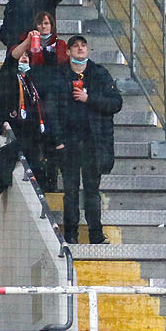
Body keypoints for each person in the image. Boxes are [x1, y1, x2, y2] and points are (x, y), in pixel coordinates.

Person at [51, 34, 123, 244]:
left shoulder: (99, 73)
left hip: (94, 142)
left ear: (88, 50)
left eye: (83, 45)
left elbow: (116, 103)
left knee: (92, 190)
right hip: (70, 142)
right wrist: (58, 140)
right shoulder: (60, 75)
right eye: (75, 46)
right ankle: (71, 235)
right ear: (68, 51)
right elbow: (51, 110)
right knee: (70, 191)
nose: (80, 49)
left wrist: (88, 98)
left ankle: (96, 234)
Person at [0, 42, 64, 200]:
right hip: (16, 138)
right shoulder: (8, 78)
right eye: (21, 55)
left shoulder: (31, 81)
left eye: (27, 55)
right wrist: (27, 43)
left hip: (33, 140)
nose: (24, 57)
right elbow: (10, 60)